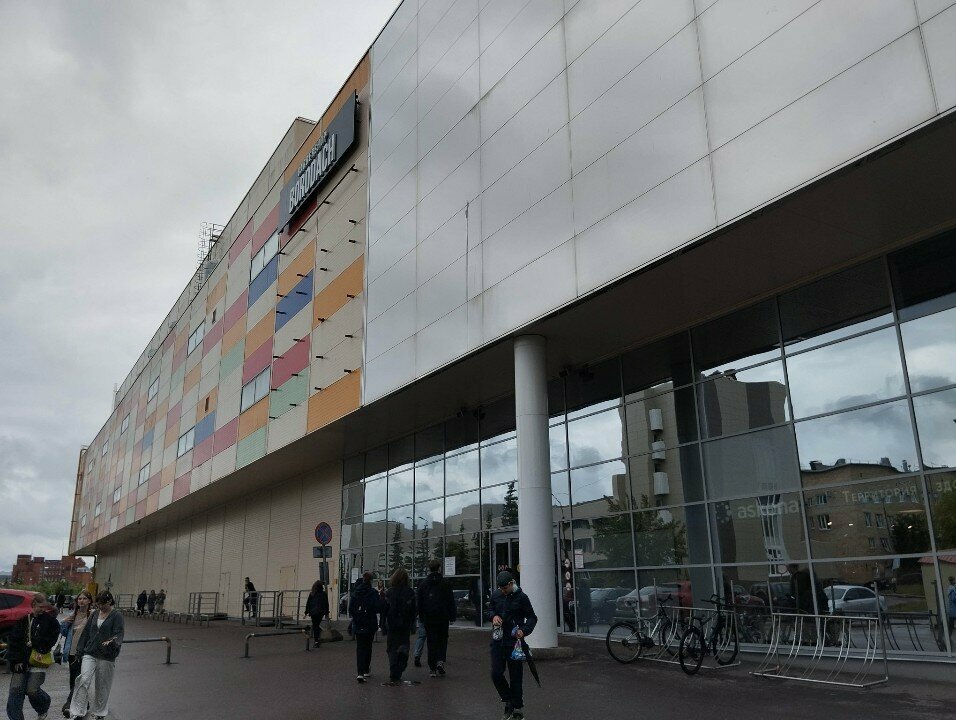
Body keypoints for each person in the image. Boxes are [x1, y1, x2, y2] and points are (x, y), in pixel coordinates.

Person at [487, 570, 537, 720]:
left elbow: (532, 617)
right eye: (500, 588)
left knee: (516, 677)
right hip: (498, 641)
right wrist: (493, 616)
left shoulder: (522, 597)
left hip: (514, 643)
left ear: (511, 583)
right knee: (496, 673)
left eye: (505, 588)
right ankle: (508, 700)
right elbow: (490, 610)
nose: (502, 591)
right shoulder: (496, 595)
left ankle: (517, 709)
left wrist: (524, 630)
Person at [69, 591, 124, 720]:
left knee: (102, 685)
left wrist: (112, 642)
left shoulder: (117, 615)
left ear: (109, 602)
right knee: (83, 679)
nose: (99, 606)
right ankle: (78, 711)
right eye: (98, 604)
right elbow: (86, 632)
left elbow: (119, 633)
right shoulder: (94, 614)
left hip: (106, 655)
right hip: (90, 652)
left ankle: (100, 713)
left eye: (102, 604)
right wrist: (79, 651)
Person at [6, 593, 59, 720]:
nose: (43, 609)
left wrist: (36, 644)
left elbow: (52, 640)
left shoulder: (51, 621)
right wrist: (16, 660)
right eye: (40, 607)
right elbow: (14, 641)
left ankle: (43, 707)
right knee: (15, 689)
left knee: (32, 690)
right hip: (21, 660)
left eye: (44, 607)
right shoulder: (24, 620)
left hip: (38, 660)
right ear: (33, 605)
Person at [416, 558, 455, 678]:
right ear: (439, 568)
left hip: (429, 617)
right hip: (443, 617)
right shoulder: (445, 583)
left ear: (429, 569)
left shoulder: (423, 584)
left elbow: (419, 602)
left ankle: (432, 668)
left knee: (431, 641)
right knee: (442, 639)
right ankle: (440, 661)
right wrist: (452, 616)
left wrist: (421, 616)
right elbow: (451, 601)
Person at [60, 590, 94, 717]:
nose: (82, 601)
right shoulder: (73, 615)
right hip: (72, 651)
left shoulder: (93, 615)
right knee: (73, 679)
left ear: (89, 601)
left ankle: (69, 704)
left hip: (85, 652)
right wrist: (65, 622)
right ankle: (84, 703)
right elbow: (63, 632)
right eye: (80, 599)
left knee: (80, 679)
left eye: (84, 598)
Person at [382, 567, 416, 685]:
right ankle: (400, 667)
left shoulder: (389, 592)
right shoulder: (410, 592)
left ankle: (394, 670)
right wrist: (413, 624)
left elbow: (384, 610)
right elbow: (413, 610)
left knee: (391, 648)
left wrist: (383, 625)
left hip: (392, 625)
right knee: (404, 646)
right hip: (405, 625)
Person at [350, 572, 380, 682]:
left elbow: (351, 609)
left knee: (360, 647)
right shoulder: (373, 593)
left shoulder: (356, 593)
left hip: (359, 622)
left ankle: (360, 672)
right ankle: (366, 669)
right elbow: (377, 607)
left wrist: (356, 617)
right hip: (370, 622)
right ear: (371, 580)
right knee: (368, 646)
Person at [304, 580, 330, 645]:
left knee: (315, 625)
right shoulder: (323, 594)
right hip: (320, 612)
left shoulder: (312, 593)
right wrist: (326, 612)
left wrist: (306, 612)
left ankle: (316, 640)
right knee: (316, 625)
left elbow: (308, 603)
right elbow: (326, 604)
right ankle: (317, 639)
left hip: (313, 612)